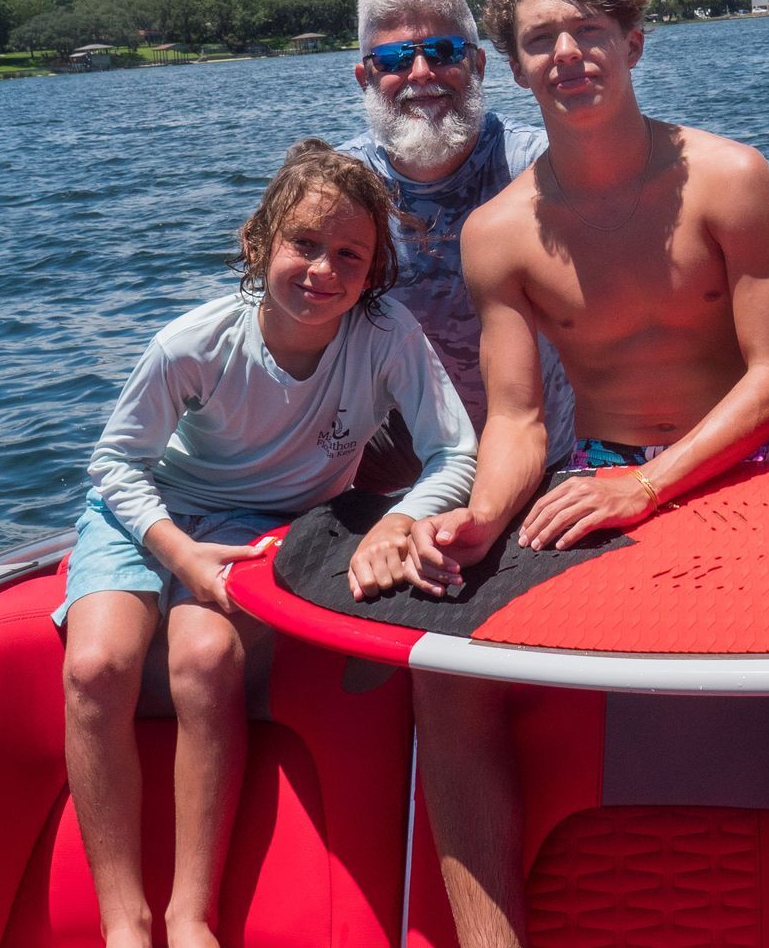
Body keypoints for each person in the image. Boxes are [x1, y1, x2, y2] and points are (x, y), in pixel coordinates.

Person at [400, 0, 769, 948]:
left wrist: (655, 485)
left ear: (634, 39)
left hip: (747, 469)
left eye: (590, 30)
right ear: (514, 63)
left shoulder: (729, 177)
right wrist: (481, 518)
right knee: (442, 664)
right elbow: (519, 419)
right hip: (610, 473)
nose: (570, 53)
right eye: (542, 38)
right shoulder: (500, 232)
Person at [59, 139, 478, 948]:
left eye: (349, 255)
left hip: (270, 527)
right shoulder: (194, 343)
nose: (324, 269)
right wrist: (178, 555)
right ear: (260, 243)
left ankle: (189, 915)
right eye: (304, 244)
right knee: (94, 668)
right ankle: (123, 921)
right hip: (153, 512)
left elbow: (454, 452)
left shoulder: (384, 335)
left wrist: (400, 518)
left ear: (374, 272)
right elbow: (115, 462)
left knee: (204, 661)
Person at [339, 0, 576, 486]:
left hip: (548, 453)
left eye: (443, 52)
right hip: (402, 468)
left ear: (478, 64)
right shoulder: (338, 191)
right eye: (395, 58)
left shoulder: (543, 168)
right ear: (366, 76)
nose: (421, 73)